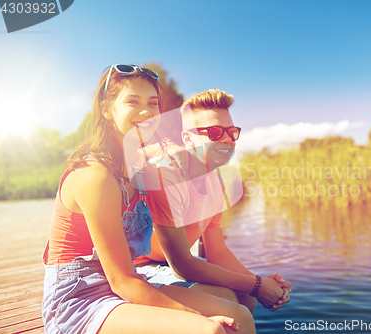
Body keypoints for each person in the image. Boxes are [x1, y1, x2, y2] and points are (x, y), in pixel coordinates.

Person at [42, 65, 256, 334]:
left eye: (153, 104)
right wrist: (195, 317)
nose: (146, 112)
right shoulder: (95, 176)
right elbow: (122, 280)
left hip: (126, 281)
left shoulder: (141, 168)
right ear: (107, 109)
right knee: (210, 330)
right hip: (80, 298)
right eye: (133, 102)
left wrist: (255, 284)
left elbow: (181, 157)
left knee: (239, 313)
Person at [135, 89, 292, 314]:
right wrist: (257, 286)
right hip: (142, 266)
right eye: (216, 132)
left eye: (232, 132)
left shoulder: (216, 181)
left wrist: (261, 282)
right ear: (188, 139)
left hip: (172, 264)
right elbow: (182, 265)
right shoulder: (167, 176)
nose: (227, 139)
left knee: (246, 299)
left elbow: (217, 251)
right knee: (227, 300)